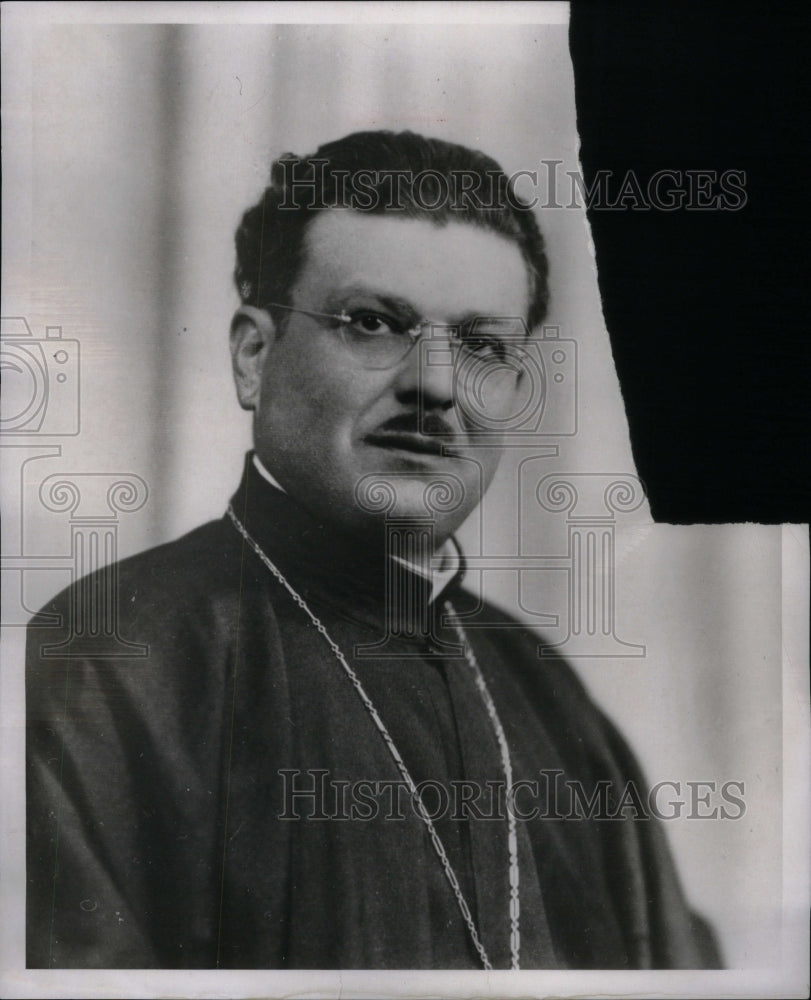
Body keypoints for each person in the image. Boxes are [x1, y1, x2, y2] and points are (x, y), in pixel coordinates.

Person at [26, 130, 720, 970]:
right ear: (254, 355)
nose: (432, 385)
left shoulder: (550, 697)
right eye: (373, 323)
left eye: (481, 346)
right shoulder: (104, 662)